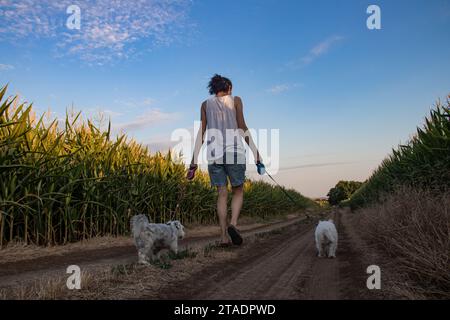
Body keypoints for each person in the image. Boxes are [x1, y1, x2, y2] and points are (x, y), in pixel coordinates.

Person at [187, 74, 263, 246]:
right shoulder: (236, 100)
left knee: (221, 193)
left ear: (214, 89)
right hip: (234, 151)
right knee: (238, 190)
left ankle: (223, 237)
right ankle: (233, 225)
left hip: (214, 155)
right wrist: (256, 154)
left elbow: (202, 133)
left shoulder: (205, 105)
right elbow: (242, 126)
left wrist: (193, 162)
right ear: (228, 88)